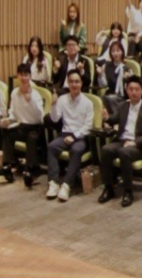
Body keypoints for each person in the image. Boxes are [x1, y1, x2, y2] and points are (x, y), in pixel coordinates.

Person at [97, 77, 142, 208]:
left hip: (138, 146)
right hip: (122, 141)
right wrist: (107, 117)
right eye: (131, 89)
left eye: (136, 89)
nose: (134, 92)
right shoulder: (123, 106)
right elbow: (114, 119)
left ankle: (128, 190)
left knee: (124, 152)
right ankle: (109, 188)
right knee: (106, 149)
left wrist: (134, 142)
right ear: (127, 90)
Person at [46, 70, 94, 202]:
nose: (74, 84)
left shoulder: (88, 103)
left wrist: (74, 136)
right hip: (64, 134)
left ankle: (67, 185)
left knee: (76, 150)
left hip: (80, 136)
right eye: (71, 81)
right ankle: (53, 183)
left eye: (77, 82)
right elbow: (55, 119)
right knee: (51, 147)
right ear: (67, 83)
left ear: (81, 83)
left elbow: (88, 126)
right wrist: (53, 104)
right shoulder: (62, 99)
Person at [0, 63, 45, 187]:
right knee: (7, 132)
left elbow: (40, 117)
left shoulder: (35, 95)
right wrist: (8, 119)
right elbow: (13, 112)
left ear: (30, 77)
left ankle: (29, 170)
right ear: (17, 76)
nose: (23, 78)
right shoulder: (14, 93)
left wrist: (31, 101)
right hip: (22, 126)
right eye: (21, 75)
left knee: (31, 137)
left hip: (35, 127)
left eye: (26, 75)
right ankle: (7, 166)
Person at [98, 40, 133, 116]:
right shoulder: (106, 66)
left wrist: (127, 79)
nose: (115, 53)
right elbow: (103, 85)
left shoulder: (127, 69)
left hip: (122, 97)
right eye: (113, 51)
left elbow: (130, 89)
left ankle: (113, 118)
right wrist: (100, 75)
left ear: (122, 52)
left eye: (118, 51)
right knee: (103, 99)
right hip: (110, 94)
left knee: (109, 99)